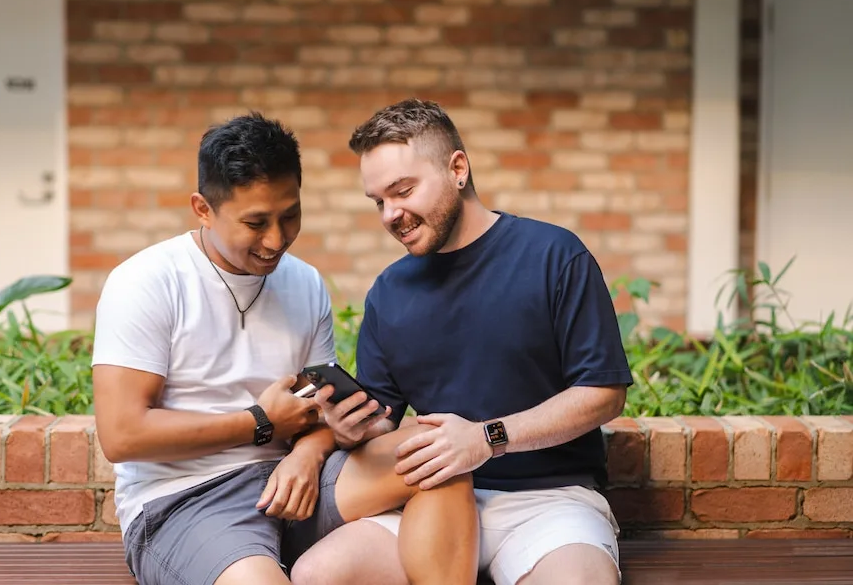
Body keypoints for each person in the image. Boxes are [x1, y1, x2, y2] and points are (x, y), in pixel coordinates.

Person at [91, 111, 478, 585]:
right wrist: (260, 424)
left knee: (435, 454)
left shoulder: (304, 283)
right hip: (186, 499)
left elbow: (315, 410)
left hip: (297, 482)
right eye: (255, 223)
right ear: (203, 209)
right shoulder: (146, 282)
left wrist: (308, 453)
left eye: (289, 215)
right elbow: (123, 434)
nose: (276, 240)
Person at [292, 99, 633, 585]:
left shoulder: (554, 256)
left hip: (549, 502)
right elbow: (382, 422)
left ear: (457, 168)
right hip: (432, 497)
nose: (391, 214)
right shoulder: (389, 292)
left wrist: (486, 439)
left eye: (403, 191)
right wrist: (350, 429)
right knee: (317, 576)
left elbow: (604, 394)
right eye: (378, 201)